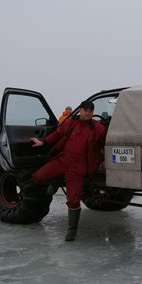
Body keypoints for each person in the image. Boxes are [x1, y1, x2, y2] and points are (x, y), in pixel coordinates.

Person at [30, 101, 106, 241]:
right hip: (63, 159)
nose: (88, 113)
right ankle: (57, 180)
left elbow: (105, 142)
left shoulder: (98, 128)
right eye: (85, 110)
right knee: (38, 176)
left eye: (90, 111)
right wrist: (43, 141)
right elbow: (57, 134)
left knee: (73, 199)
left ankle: (72, 230)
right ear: (80, 111)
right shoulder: (70, 123)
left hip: (79, 167)